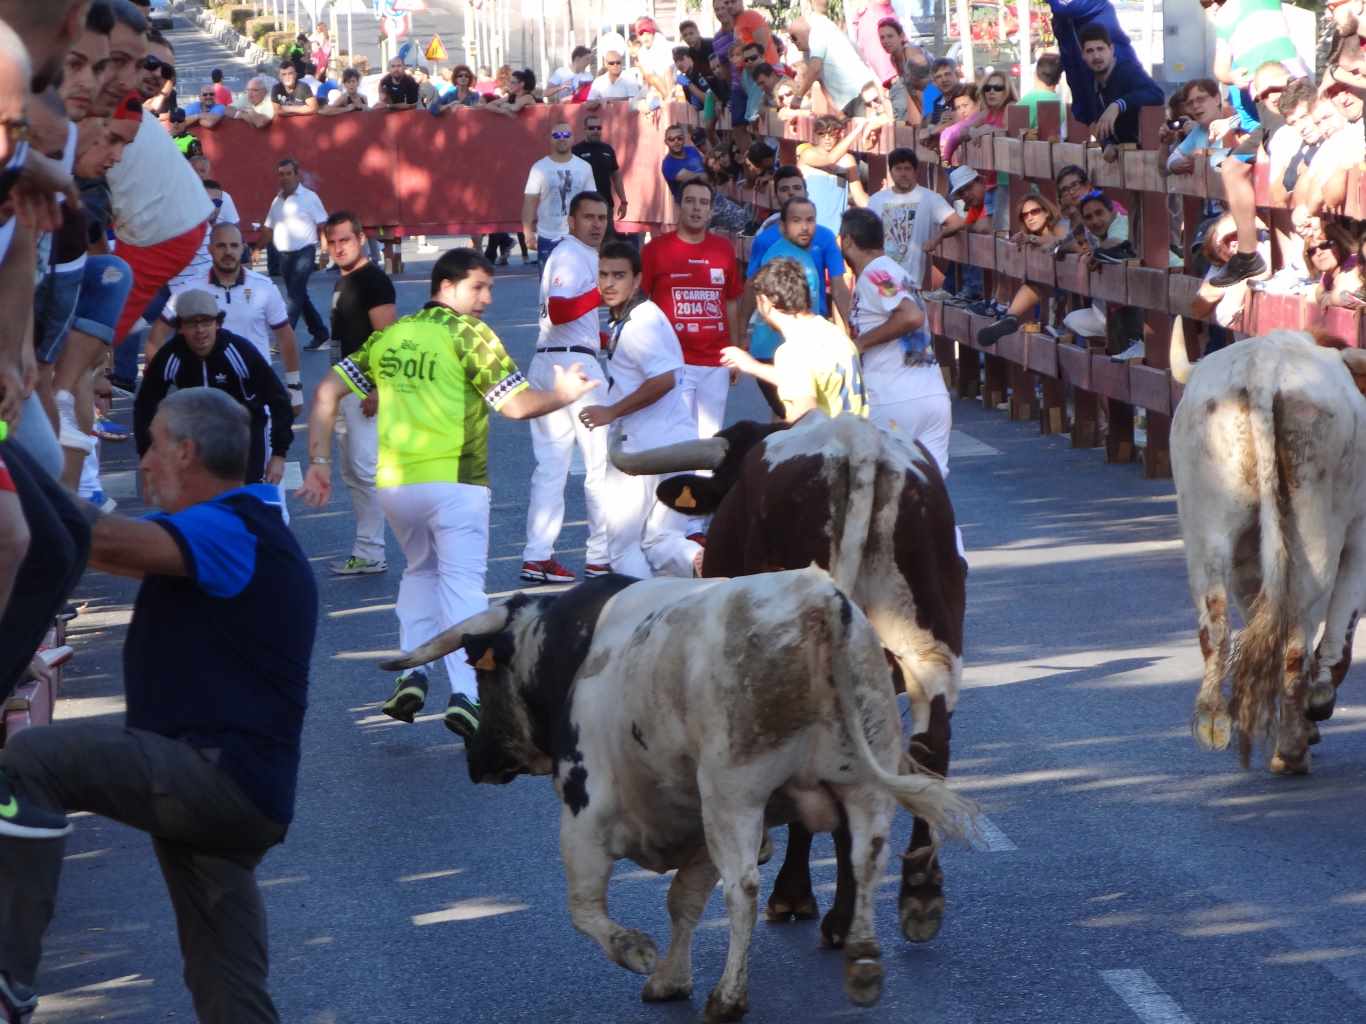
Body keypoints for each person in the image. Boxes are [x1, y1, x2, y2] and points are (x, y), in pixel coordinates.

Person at [0, 387, 317, 1024]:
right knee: (227, 987)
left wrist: (8, 453)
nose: (141, 462)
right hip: (238, 794)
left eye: (151, 447)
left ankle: (6, 976)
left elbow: (100, 542)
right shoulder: (242, 530)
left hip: (208, 777)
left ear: (185, 451)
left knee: (31, 761)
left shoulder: (235, 527)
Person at [298, 249, 600, 738]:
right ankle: (465, 693)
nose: (486, 300)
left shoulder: (392, 336)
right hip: (457, 483)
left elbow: (327, 393)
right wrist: (565, 395)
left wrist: (317, 462)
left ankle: (414, 672)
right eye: (479, 287)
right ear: (447, 285)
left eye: (490, 289)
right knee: (461, 586)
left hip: (396, 486)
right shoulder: (470, 335)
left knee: (420, 572)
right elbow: (517, 407)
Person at [578, 240, 700, 579]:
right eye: (603, 275)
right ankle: (708, 569)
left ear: (637, 280)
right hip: (678, 444)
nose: (609, 284)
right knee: (662, 540)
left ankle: (639, 619)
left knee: (621, 547)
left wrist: (611, 411)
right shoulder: (644, 314)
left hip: (643, 451)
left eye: (619, 275)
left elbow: (662, 380)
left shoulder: (637, 326)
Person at [521, 192, 611, 584]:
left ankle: (537, 556)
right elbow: (560, 311)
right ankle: (600, 557)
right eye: (588, 216)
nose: (596, 223)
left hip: (553, 358)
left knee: (552, 467)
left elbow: (574, 322)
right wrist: (602, 293)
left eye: (602, 217)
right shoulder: (572, 254)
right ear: (571, 221)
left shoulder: (576, 255)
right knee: (600, 465)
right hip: (574, 367)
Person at [135, 290, 295, 488]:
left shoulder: (239, 351)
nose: (200, 331)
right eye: (193, 324)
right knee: (203, 500)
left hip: (246, 435)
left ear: (217, 324)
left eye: (206, 322)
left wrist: (279, 455)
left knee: (245, 499)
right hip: (198, 438)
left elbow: (279, 399)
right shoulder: (171, 356)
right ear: (181, 327)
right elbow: (145, 407)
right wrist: (147, 454)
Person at [840, 206, 951, 468]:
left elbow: (910, 316)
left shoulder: (878, 274)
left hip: (895, 398)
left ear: (846, 241)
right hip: (931, 395)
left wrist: (860, 344)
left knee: (888, 494)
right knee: (931, 492)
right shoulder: (896, 271)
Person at [148, 223, 300, 406]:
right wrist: (157, 385)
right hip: (205, 395)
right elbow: (156, 335)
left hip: (255, 390)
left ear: (243, 248)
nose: (228, 251)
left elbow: (285, 337)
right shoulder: (189, 289)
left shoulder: (264, 287)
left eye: (234, 245)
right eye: (221, 246)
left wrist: (294, 387)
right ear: (210, 249)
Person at [640, 180, 743, 444]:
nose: (697, 209)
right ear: (678, 206)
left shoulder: (724, 249)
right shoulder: (654, 251)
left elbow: (732, 301)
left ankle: (701, 487)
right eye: (690, 201)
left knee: (709, 443)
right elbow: (640, 302)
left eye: (703, 203)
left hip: (715, 364)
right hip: (673, 362)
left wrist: (735, 349)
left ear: (710, 211)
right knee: (677, 442)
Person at [323, 211, 397, 576]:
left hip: (363, 391)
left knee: (366, 472)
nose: (339, 248)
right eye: (333, 242)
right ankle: (366, 549)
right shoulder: (344, 281)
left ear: (360, 239)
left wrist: (378, 389)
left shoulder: (374, 281)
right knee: (354, 473)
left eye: (345, 240)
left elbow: (388, 338)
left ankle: (374, 551)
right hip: (343, 389)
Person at [720, 256, 868, 422]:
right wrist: (751, 366)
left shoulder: (793, 352)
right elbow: (803, 378)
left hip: (828, 445)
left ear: (765, 303)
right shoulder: (834, 334)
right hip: (857, 440)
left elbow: (804, 422)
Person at [262, 157, 329, 350]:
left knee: (293, 297)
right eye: (281, 174)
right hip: (284, 256)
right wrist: (257, 248)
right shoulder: (277, 201)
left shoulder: (310, 197)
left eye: (288, 173)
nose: (284, 178)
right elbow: (268, 227)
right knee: (300, 296)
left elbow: (322, 225)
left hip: (305, 253)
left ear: (296, 175)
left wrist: (324, 252)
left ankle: (282, 339)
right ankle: (321, 334)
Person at [521, 121, 596, 267]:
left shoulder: (584, 167)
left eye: (566, 135)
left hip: (577, 237)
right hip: (548, 236)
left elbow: (591, 203)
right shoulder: (539, 168)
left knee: (579, 284)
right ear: (549, 139)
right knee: (548, 285)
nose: (562, 138)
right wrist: (528, 233)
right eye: (557, 135)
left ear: (573, 138)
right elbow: (530, 201)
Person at [1078, 23, 1165, 147]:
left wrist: (1118, 105)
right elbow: (1095, 121)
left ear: (1111, 49)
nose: (1096, 56)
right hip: (1118, 156)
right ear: (1083, 55)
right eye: (1090, 51)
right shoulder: (1089, 82)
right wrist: (1107, 143)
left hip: (1142, 153)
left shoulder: (1128, 71)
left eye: (1100, 49)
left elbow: (1156, 94)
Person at [787, 14, 879, 118]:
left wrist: (798, 96)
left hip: (861, 92)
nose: (794, 42)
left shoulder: (818, 33)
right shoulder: (808, 53)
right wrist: (838, 112)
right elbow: (822, 83)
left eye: (794, 38)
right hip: (844, 101)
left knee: (865, 128)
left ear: (804, 31)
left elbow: (815, 69)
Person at [796, 115, 871, 234]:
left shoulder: (848, 160)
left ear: (839, 135)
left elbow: (859, 197)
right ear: (815, 135)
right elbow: (831, 159)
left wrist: (881, 206)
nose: (827, 139)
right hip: (808, 229)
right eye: (822, 134)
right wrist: (858, 129)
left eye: (831, 134)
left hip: (837, 232)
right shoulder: (808, 154)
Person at [573, 116, 629, 223]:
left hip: (605, 206)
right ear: (585, 129)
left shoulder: (608, 150)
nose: (595, 131)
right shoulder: (576, 151)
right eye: (591, 128)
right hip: (584, 207)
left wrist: (623, 201)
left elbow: (616, 177)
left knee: (607, 238)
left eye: (598, 128)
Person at [661, 122, 706, 203]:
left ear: (684, 139)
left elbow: (704, 166)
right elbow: (697, 179)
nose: (676, 141)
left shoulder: (692, 150)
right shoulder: (668, 165)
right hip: (693, 204)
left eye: (679, 138)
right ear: (666, 142)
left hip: (708, 193)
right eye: (671, 139)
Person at [1017, 52, 1063, 130]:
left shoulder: (1026, 102)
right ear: (1059, 78)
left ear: (1035, 74)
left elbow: (1014, 132)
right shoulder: (1063, 104)